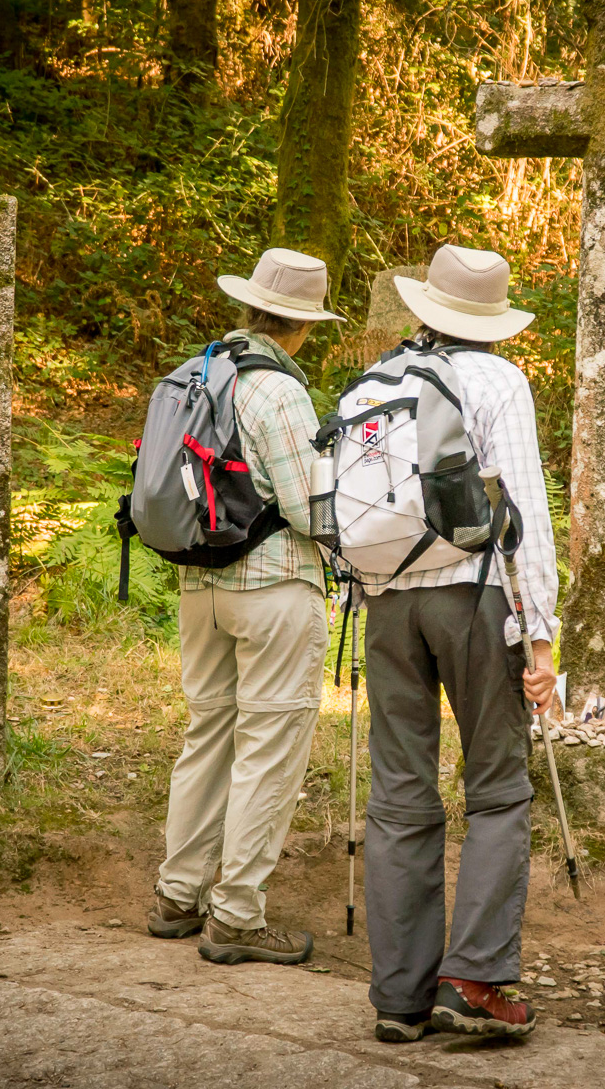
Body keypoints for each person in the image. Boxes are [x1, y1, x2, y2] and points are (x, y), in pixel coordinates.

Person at [361, 245, 560, 1040]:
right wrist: (540, 639)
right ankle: (472, 982)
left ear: (426, 308)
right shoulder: (498, 381)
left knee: (400, 796)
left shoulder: (376, 381)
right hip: (474, 599)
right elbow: (525, 515)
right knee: (500, 788)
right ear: (492, 320)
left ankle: (399, 999)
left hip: (383, 606)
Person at [147, 248, 336, 966]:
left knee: (208, 737)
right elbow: (307, 509)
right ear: (302, 326)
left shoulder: (197, 372)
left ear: (251, 306)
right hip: (274, 589)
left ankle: (178, 894)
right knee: (269, 748)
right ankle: (235, 917)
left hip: (201, 586)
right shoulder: (279, 392)